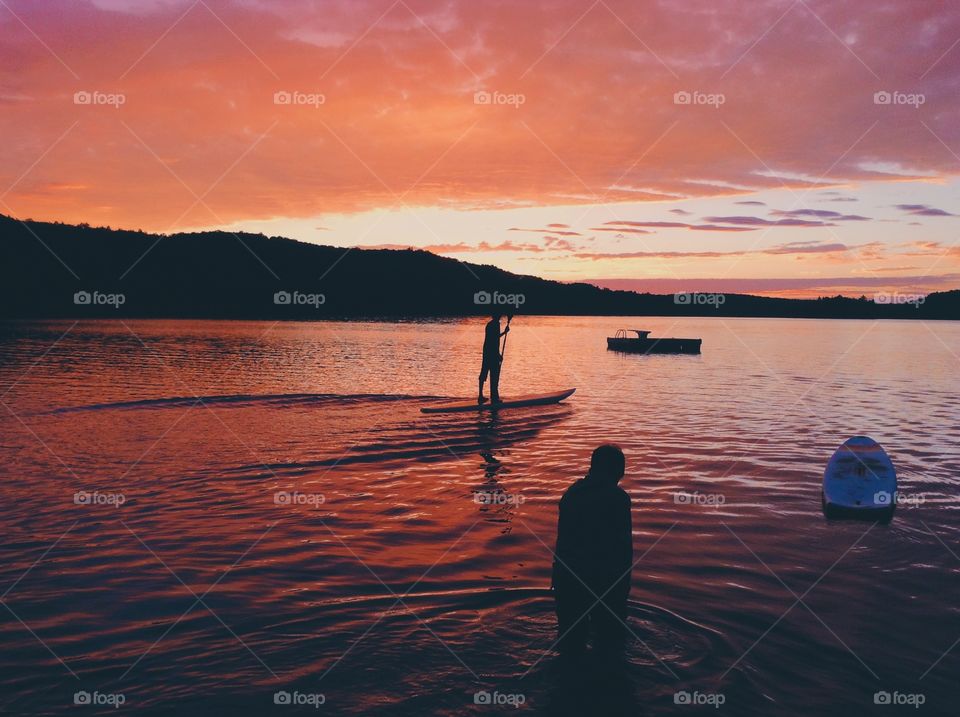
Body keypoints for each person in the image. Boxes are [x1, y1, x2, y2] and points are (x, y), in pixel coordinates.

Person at [552, 444, 633, 654]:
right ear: (618, 470)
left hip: (567, 577)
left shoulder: (572, 494)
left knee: (569, 645)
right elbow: (623, 548)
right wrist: (623, 586)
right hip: (603, 580)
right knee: (609, 643)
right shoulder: (618, 499)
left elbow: (563, 542)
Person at [478, 313, 509, 404]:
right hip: (491, 353)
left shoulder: (492, 324)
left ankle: (487, 396)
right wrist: (498, 355)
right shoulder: (494, 325)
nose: (500, 317)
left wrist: (504, 332)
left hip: (488, 352)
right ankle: (493, 397)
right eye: (499, 315)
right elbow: (494, 339)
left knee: (487, 373)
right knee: (493, 375)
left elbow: (495, 338)